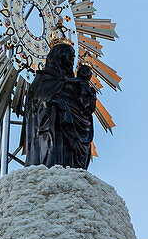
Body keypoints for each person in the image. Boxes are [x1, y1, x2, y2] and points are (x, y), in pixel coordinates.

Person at [24, 41, 95, 170]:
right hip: (52, 127)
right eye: (70, 55)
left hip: (73, 126)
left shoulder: (74, 82)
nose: (73, 59)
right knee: (55, 155)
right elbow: (37, 99)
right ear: (59, 55)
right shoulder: (45, 78)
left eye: (74, 56)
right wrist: (54, 100)